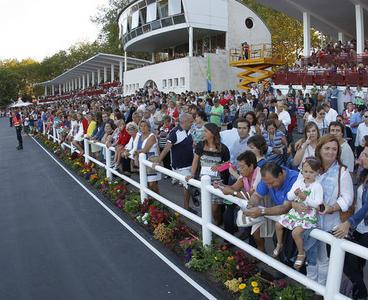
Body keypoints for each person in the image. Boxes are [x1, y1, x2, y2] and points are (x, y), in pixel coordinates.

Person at [293, 134, 354, 286]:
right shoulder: (309, 168)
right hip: (308, 221)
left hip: (329, 224)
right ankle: (310, 286)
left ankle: (320, 290)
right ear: (319, 149)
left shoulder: (342, 171)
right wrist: (295, 203)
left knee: (324, 259)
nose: (330, 152)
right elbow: (296, 189)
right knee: (312, 255)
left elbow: (347, 198)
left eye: (334, 149)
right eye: (327, 148)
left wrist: (332, 208)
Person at [274, 157, 323, 270]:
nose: (308, 174)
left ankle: (301, 253)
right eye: (305, 171)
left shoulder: (317, 186)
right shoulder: (299, 181)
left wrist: (305, 198)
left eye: (311, 172)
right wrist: (295, 194)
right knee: (278, 224)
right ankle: (279, 243)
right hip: (295, 212)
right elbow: (289, 195)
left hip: (308, 214)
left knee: (296, 233)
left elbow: (318, 204)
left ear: (317, 172)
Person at [334, 152, 368, 299]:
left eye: (365, 155)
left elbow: (366, 207)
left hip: (364, 229)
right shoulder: (364, 174)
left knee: (354, 265)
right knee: (356, 265)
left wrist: (349, 222)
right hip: (359, 228)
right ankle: (357, 292)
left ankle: (361, 294)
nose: (361, 157)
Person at [186, 123, 230, 225]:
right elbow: (195, 161)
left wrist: (220, 167)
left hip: (217, 182)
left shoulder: (223, 148)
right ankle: (210, 227)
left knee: (215, 208)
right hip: (203, 180)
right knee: (206, 206)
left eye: (205, 131)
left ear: (213, 133)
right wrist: (192, 175)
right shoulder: (200, 145)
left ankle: (217, 224)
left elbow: (228, 164)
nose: (203, 133)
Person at [155, 113, 195, 212]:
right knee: (188, 185)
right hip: (180, 166)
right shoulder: (174, 133)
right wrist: (158, 161)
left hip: (190, 163)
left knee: (191, 185)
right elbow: (166, 149)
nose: (192, 123)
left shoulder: (189, 130)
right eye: (191, 121)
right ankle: (186, 208)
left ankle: (191, 199)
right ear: (184, 121)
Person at [214, 151, 261, 235]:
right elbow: (233, 187)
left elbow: (249, 196)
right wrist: (220, 185)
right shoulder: (244, 176)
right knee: (254, 235)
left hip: (264, 208)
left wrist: (232, 192)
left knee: (256, 236)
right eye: (239, 166)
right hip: (254, 209)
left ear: (251, 166)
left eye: (242, 167)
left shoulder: (259, 175)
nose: (239, 169)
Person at [134, 120, 161, 194]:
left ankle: (158, 200)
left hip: (152, 161)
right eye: (141, 126)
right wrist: (136, 156)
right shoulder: (139, 136)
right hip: (143, 162)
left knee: (152, 184)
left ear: (148, 127)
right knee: (145, 183)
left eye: (145, 126)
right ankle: (150, 201)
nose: (143, 128)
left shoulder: (152, 136)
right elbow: (136, 148)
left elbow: (144, 150)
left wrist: (135, 153)